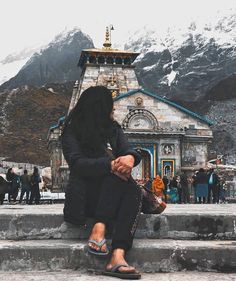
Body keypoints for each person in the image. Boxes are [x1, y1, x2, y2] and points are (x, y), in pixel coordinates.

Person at [61, 86, 142, 279]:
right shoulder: (71, 131)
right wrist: (111, 164)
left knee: (131, 189)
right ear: (100, 107)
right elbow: (78, 164)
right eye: (110, 107)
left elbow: (128, 149)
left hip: (113, 194)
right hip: (84, 198)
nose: (112, 111)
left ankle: (117, 253)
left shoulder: (113, 128)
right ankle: (99, 228)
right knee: (119, 178)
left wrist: (130, 158)